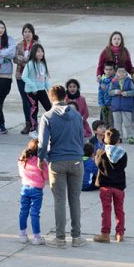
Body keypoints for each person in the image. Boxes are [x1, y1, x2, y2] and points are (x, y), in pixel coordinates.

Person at [37, 84, 86, 249]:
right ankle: (77, 236)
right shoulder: (77, 115)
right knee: (75, 200)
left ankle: (60, 237)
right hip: (77, 160)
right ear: (65, 96)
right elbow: (82, 138)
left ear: (51, 98)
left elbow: (43, 143)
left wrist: (40, 158)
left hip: (57, 161)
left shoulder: (48, 116)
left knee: (59, 200)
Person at [94, 127, 128, 243]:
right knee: (119, 210)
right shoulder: (123, 154)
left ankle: (105, 234)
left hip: (105, 186)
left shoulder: (100, 153)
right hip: (119, 186)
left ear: (104, 140)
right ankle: (120, 233)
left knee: (106, 210)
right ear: (118, 140)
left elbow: (97, 165)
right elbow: (123, 166)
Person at [17, 138, 47, 245]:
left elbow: (21, 173)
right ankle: (36, 236)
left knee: (23, 211)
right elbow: (46, 176)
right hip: (37, 189)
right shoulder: (42, 162)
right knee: (35, 213)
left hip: (25, 187)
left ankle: (22, 235)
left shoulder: (23, 159)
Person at [13, 23, 38, 135]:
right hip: (20, 76)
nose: (27, 34)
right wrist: (25, 59)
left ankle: (34, 123)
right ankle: (28, 123)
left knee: (32, 100)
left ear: (33, 33)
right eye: (25, 32)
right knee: (25, 100)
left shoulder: (36, 45)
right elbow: (15, 58)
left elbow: (37, 59)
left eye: (29, 32)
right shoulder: (19, 45)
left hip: (32, 77)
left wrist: (23, 59)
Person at [24, 43, 52, 138]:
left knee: (49, 108)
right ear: (33, 53)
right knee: (34, 109)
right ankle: (32, 130)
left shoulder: (43, 64)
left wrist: (49, 90)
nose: (40, 53)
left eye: (42, 51)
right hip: (32, 92)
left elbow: (45, 78)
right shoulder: (30, 64)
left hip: (41, 90)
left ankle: (53, 127)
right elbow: (24, 77)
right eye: (38, 51)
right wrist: (33, 87)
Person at [108, 66, 134, 144]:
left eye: (123, 71)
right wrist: (115, 92)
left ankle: (130, 136)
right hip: (116, 106)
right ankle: (119, 137)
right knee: (117, 123)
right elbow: (109, 92)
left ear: (126, 73)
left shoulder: (129, 81)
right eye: (119, 71)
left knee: (128, 123)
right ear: (116, 73)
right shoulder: (113, 81)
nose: (121, 73)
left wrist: (127, 93)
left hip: (126, 106)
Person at [97, 61, 116, 127]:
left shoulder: (115, 80)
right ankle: (106, 135)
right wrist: (101, 103)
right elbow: (100, 94)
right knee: (104, 121)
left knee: (111, 121)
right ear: (104, 70)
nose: (108, 71)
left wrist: (106, 88)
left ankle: (112, 135)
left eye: (110, 69)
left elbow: (114, 92)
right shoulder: (102, 81)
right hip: (104, 105)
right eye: (106, 69)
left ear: (114, 70)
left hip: (112, 105)